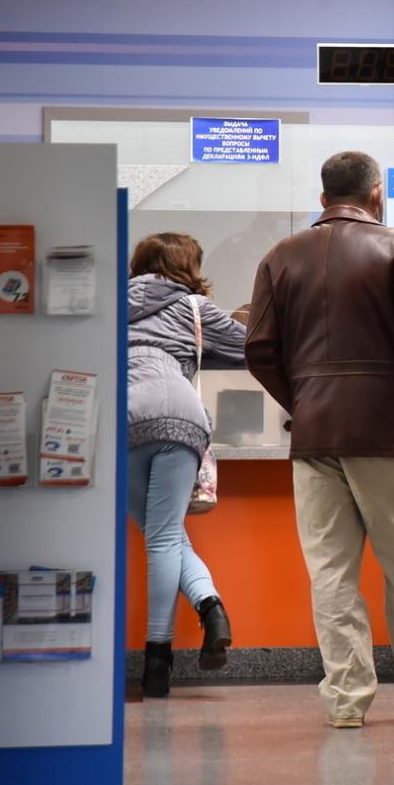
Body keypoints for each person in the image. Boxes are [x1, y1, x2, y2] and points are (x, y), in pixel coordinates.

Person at [246, 151, 394, 728]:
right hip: (390, 433)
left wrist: (305, 400)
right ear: (377, 194)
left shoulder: (279, 257)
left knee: (331, 574)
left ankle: (346, 702)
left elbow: (259, 350)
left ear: (323, 199)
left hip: (314, 436)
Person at [126, 233, 242, 698]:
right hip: (182, 417)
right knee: (167, 536)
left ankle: (162, 661)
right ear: (188, 267)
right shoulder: (195, 308)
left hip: (126, 419)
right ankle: (204, 611)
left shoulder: (111, 306)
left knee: (160, 536)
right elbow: (253, 346)